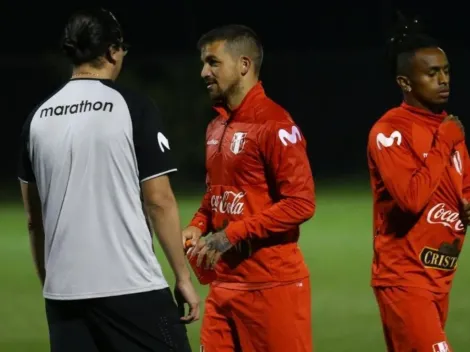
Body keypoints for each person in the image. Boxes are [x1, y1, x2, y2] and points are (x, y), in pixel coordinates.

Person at [17, 8, 199, 352]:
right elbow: (159, 200)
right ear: (112, 50)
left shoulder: (36, 119)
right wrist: (183, 277)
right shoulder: (133, 107)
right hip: (131, 288)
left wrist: (50, 284)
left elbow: (33, 220)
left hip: (64, 297)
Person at [183, 24, 316, 352]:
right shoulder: (216, 126)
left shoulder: (275, 124)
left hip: (272, 286)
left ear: (244, 65)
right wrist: (198, 224)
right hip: (224, 285)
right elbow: (215, 197)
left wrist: (232, 234)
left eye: (213, 62)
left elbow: (301, 203)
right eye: (203, 63)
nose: (204, 72)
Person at [367, 16, 469, 352]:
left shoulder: (448, 128)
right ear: (405, 82)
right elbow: (411, 198)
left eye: (446, 71)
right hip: (404, 279)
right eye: (432, 73)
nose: (443, 80)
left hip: (440, 278)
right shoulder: (390, 130)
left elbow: (462, 189)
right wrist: (443, 143)